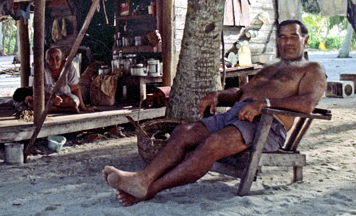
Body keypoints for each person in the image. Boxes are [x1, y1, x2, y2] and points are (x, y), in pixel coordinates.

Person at [103, 19, 327, 206]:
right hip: (237, 114)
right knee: (184, 132)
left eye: (293, 36)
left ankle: (152, 188)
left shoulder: (312, 69)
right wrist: (219, 95)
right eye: (283, 37)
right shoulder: (271, 68)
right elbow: (241, 92)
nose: (287, 41)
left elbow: (307, 103)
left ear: (305, 39)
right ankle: (143, 179)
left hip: (267, 124)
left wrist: (265, 104)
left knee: (213, 143)